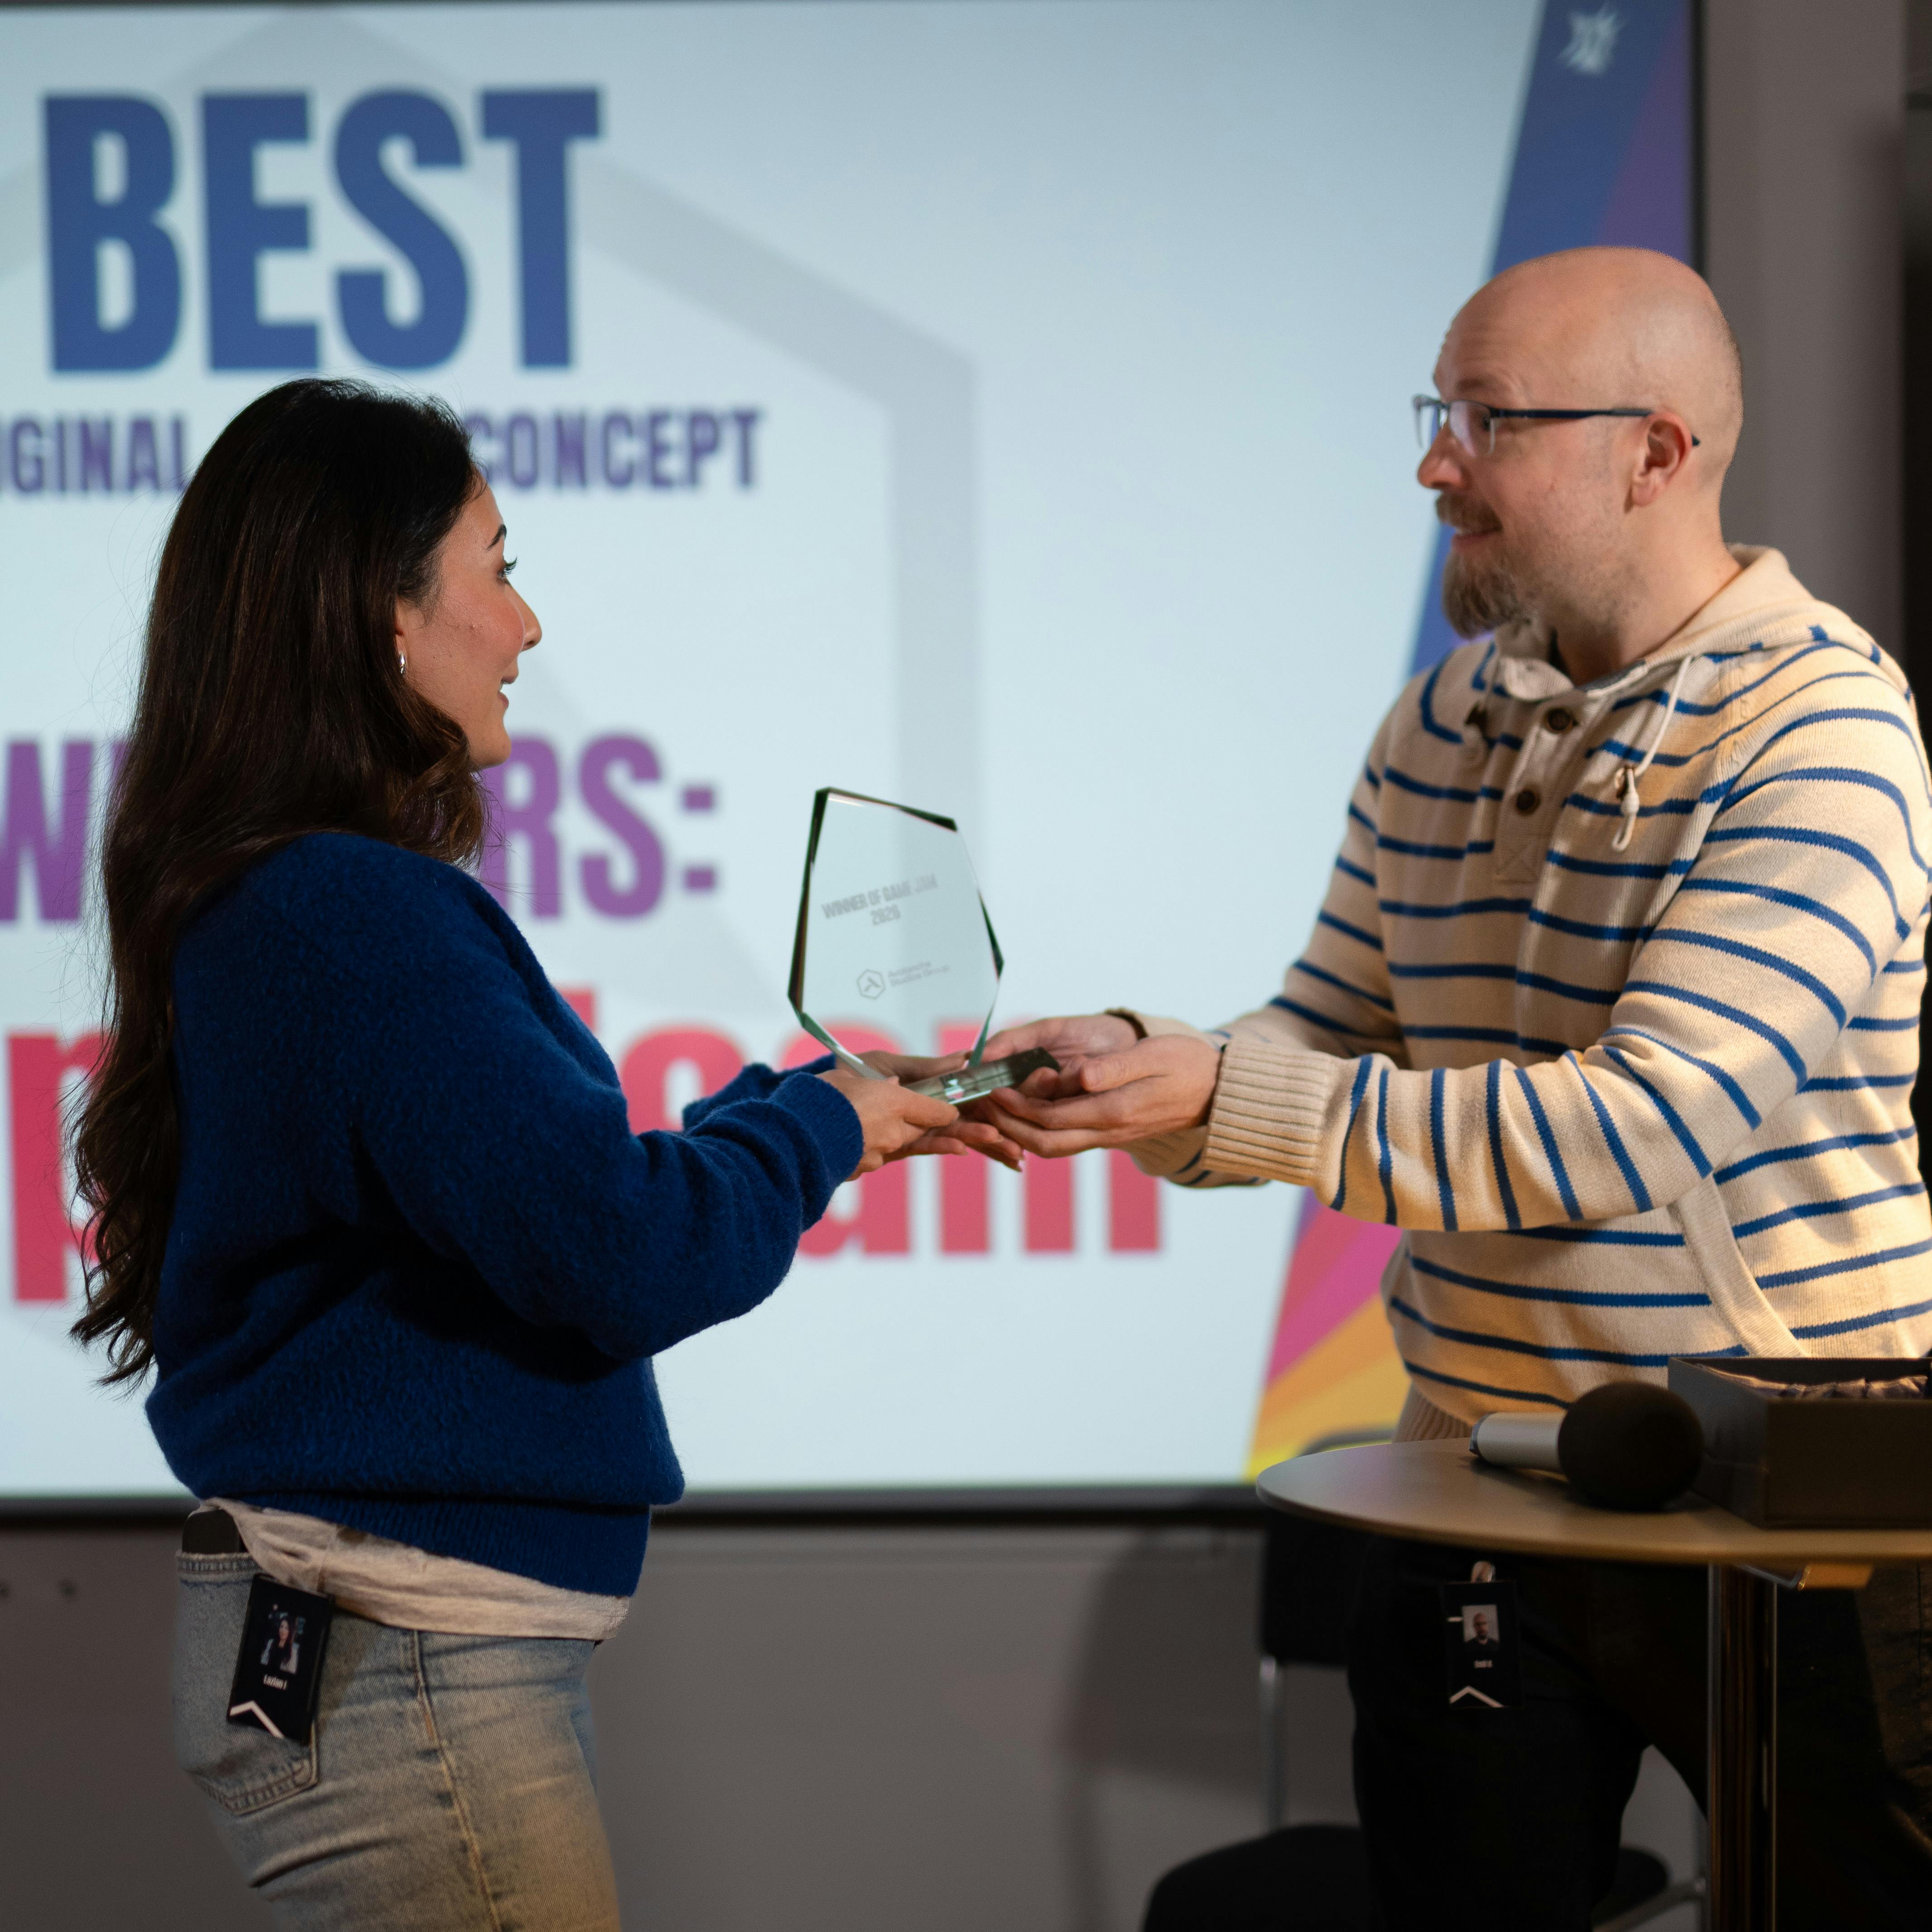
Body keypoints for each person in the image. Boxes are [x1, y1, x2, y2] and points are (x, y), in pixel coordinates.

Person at [975, 248, 1932, 1927]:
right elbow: (1332, 1024)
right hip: (1476, 1472)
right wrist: (1156, 1078)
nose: (1434, 464)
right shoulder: (1439, 717)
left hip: (1793, 1506)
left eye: (1487, 421)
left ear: (1655, 451)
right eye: (1439, 412)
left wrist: (1233, 1100)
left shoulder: (1820, 727)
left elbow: (1644, 1121)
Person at [69, 377, 964, 1931]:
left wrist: (821, 1105)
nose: (528, 623)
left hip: (381, 1652)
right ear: (384, 619)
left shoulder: (287, 899)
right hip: (403, 1668)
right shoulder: (354, 916)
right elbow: (615, 1249)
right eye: (498, 563)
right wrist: (822, 1121)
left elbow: (552, 1197)